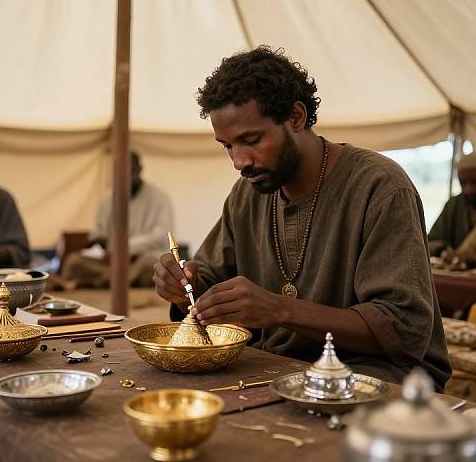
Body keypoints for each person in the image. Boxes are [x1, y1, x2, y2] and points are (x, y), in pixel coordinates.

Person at [153, 46, 450, 390]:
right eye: (228, 146)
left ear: (296, 117)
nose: (239, 161)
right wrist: (182, 285)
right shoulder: (246, 194)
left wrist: (279, 310)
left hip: (375, 376)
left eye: (251, 140)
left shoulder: (380, 187)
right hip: (278, 367)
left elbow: (403, 329)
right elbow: (210, 278)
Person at [60, 151, 174, 288]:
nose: (126, 175)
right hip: (112, 261)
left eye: (130, 170)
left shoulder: (159, 198)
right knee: (73, 262)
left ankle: (108, 280)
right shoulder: (108, 199)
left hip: (141, 258)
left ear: (139, 170)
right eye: (121, 171)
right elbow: (99, 232)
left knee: (151, 264)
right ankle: (119, 279)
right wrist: (99, 241)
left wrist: (126, 248)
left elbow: (160, 236)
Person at [428, 153, 476, 268]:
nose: (468, 189)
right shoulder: (454, 205)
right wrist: (443, 250)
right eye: (464, 183)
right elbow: (429, 243)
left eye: (474, 182)